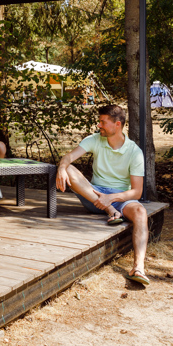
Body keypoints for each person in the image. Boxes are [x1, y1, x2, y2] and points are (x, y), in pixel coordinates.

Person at [56, 104, 150, 285]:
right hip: (94, 195)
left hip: (120, 199)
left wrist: (112, 198)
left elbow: (136, 191)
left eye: (103, 122)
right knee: (70, 169)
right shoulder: (95, 139)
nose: (99, 126)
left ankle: (138, 268)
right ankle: (110, 211)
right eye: (99, 122)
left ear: (118, 125)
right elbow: (68, 157)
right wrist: (61, 168)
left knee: (140, 212)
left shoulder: (134, 152)